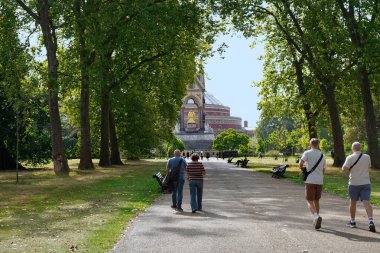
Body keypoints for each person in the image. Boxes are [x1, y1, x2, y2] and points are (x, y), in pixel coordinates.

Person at [342, 142, 376, 232]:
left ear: (352, 148)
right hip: (365, 182)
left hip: (354, 183)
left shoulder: (350, 157)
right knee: (366, 202)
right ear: (360, 148)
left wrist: (349, 169)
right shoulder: (367, 157)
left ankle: (352, 222)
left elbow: (344, 169)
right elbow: (368, 166)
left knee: (352, 202)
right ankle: (370, 220)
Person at [299, 138, 326, 229]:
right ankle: (316, 219)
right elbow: (324, 170)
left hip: (310, 180)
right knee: (316, 200)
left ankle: (316, 216)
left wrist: (304, 170)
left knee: (309, 200)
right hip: (319, 180)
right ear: (318, 144)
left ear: (310, 144)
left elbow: (300, 164)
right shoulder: (322, 155)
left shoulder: (307, 153)